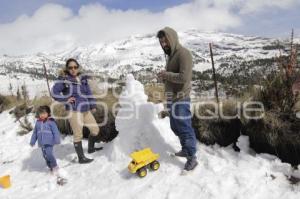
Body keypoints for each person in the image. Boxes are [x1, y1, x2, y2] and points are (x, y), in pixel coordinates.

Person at [157, 27, 198, 171]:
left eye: (165, 40)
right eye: (161, 42)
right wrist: (163, 77)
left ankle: (192, 157)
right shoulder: (171, 56)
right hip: (171, 99)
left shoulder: (183, 54)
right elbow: (171, 77)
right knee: (175, 127)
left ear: (172, 38)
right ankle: (186, 149)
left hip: (181, 98)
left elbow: (184, 77)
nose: (163, 44)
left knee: (184, 127)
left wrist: (166, 74)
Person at [52, 58, 102, 164]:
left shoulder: (82, 79)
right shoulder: (64, 80)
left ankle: (91, 148)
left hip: (85, 109)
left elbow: (88, 93)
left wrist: (92, 105)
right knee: (78, 134)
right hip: (74, 110)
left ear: (78, 67)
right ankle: (81, 158)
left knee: (95, 130)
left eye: (75, 67)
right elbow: (54, 93)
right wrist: (66, 99)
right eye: (70, 67)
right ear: (67, 68)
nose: (73, 69)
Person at [30, 106, 61, 174]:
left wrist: (57, 139)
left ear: (48, 113)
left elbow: (55, 131)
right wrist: (32, 141)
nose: (42, 115)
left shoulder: (51, 122)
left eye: (44, 113)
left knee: (49, 154)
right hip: (41, 143)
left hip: (49, 142)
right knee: (45, 155)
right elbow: (35, 133)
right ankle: (50, 166)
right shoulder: (38, 122)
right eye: (41, 113)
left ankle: (55, 166)